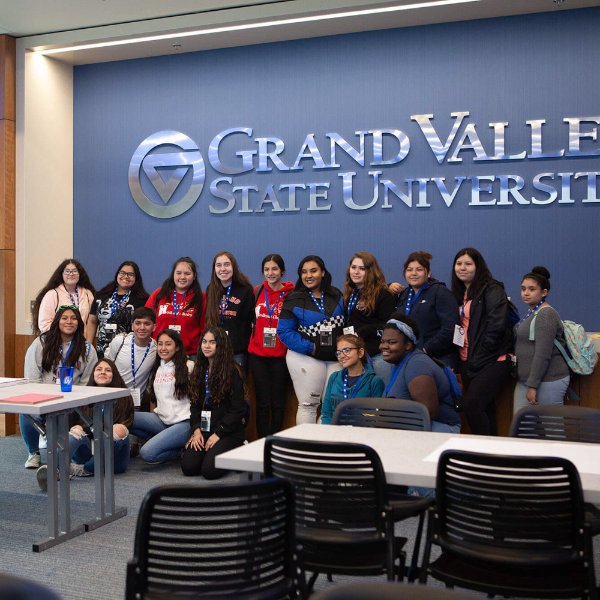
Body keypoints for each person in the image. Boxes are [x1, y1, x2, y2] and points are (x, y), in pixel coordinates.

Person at [36, 359, 134, 489]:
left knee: (118, 428)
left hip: (114, 457)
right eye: (99, 369)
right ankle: (53, 469)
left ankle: (85, 469)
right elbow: (75, 423)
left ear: (114, 374)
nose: (103, 372)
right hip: (88, 450)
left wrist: (88, 428)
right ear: (93, 374)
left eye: (108, 370)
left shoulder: (124, 396)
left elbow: (127, 423)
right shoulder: (83, 397)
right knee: (76, 430)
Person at [21, 305, 97, 469]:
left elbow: (87, 381)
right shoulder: (41, 343)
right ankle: (33, 453)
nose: (69, 322)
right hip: (43, 398)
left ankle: (64, 456)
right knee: (26, 411)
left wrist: (70, 400)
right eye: (64, 318)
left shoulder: (87, 348)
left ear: (79, 323)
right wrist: (45, 402)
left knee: (80, 457)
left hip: (73, 403)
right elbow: (32, 377)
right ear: (57, 321)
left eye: (74, 318)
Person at [451, 247, 513, 435]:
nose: (463, 268)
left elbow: (497, 326)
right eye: (459, 264)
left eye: (468, 264)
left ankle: (484, 450)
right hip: (468, 361)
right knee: (486, 409)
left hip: (492, 360)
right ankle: (492, 453)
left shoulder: (492, 289)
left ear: (478, 267)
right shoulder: (459, 293)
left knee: (472, 405)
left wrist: (480, 357)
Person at [277, 255, 345, 424]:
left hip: (335, 357)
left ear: (323, 272)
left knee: (333, 405)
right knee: (308, 404)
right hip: (306, 357)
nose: (308, 275)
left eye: (313, 271)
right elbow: (284, 332)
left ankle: (325, 444)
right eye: (304, 272)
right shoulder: (294, 299)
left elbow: (346, 325)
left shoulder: (336, 294)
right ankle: (305, 446)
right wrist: (311, 348)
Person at [181, 327, 246, 479]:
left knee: (209, 472)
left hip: (227, 431)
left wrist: (219, 433)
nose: (206, 346)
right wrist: (196, 430)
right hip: (205, 428)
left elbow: (238, 410)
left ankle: (238, 450)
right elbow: (195, 405)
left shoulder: (233, 371)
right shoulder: (199, 369)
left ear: (221, 345)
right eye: (204, 342)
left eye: (212, 342)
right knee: (189, 468)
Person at [380, 315, 461, 433]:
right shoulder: (398, 361)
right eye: (382, 342)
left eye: (391, 342)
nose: (384, 346)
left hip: (439, 428)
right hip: (412, 427)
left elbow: (428, 412)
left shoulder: (417, 364)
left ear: (408, 345)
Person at [247, 254, 294, 437]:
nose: (270, 273)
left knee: (278, 403)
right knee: (262, 402)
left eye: (274, 269)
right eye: (266, 269)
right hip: (257, 355)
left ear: (282, 271)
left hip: (281, 356)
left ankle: (275, 440)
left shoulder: (291, 294)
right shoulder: (258, 291)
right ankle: (262, 441)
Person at [129, 330, 192, 464]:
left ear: (177, 347)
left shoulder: (189, 366)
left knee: (147, 453)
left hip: (183, 423)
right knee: (125, 416)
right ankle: (166, 441)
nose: (163, 348)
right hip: (162, 421)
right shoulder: (157, 368)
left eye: (168, 344)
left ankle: (180, 451)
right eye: (160, 344)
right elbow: (155, 399)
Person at [513, 266, 569, 413]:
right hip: (527, 380)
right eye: (523, 288)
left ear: (544, 292)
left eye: (531, 289)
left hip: (547, 380)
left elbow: (542, 354)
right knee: (522, 430)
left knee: (552, 431)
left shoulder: (546, 314)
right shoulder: (532, 312)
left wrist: (533, 385)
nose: (525, 293)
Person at [395, 251, 459, 369]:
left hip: (438, 356)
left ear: (428, 273)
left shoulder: (440, 292)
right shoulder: (404, 294)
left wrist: (425, 349)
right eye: (409, 270)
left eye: (419, 269)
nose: (413, 273)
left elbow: (450, 328)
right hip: (408, 356)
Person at [343, 251, 395, 379]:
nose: (356, 272)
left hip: (378, 355)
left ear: (371, 271)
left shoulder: (384, 294)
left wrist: (365, 331)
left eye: (362, 268)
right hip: (355, 354)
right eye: (353, 267)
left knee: (382, 397)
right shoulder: (350, 293)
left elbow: (389, 327)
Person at [145, 256, 205, 358]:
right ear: (173, 274)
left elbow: (205, 327)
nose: (182, 277)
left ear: (194, 276)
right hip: (159, 353)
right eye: (178, 273)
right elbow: (146, 320)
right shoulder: (159, 294)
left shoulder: (201, 298)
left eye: (187, 273)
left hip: (190, 355)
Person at [87, 261, 149, 357]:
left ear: (136, 278)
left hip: (126, 352)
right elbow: (92, 321)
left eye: (131, 274)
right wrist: (89, 347)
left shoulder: (142, 300)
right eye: (122, 273)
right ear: (117, 274)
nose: (126, 276)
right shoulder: (102, 295)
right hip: (101, 350)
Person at [205, 251, 254, 369]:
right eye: (219, 265)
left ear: (233, 267)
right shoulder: (210, 289)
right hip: (216, 349)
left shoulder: (245, 289)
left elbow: (249, 321)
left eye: (227, 264)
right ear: (214, 269)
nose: (223, 269)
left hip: (237, 351)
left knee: (236, 385)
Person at [321, 334, 385, 425]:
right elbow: (326, 414)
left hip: (361, 435)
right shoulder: (334, 378)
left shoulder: (374, 381)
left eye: (347, 350)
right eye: (338, 352)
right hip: (335, 433)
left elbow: (375, 418)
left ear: (360, 352)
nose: (341, 356)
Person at [105, 306, 157, 408]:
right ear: (132, 326)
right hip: (112, 401)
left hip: (135, 405)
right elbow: (106, 365)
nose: (142, 327)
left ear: (154, 327)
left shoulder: (155, 349)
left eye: (147, 324)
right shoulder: (120, 341)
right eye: (138, 323)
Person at [31, 259, 95, 337]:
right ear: (61, 274)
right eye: (67, 271)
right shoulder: (52, 295)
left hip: (81, 343)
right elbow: (44, 325)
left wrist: (87, 343)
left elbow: (92, 322)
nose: (71, 274)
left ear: (80, 274)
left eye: (74, 271)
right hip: (58, 343)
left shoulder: (87, 294)